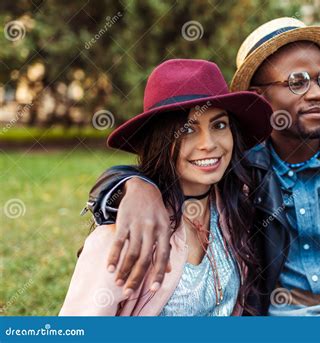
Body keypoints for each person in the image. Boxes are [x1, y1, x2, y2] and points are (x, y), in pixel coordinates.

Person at [83, 18, 320, 316]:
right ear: (260, 97)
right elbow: (171, 164)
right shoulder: (239, 170)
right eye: (298, 82)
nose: (319, 92)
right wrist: (134, 186)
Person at [59, 59, 273, 315]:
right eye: (188, 130)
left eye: (219, 125)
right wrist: (131, 185)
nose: (209, 144)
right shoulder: (125, 234)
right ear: (161, 141)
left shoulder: (233, 205)